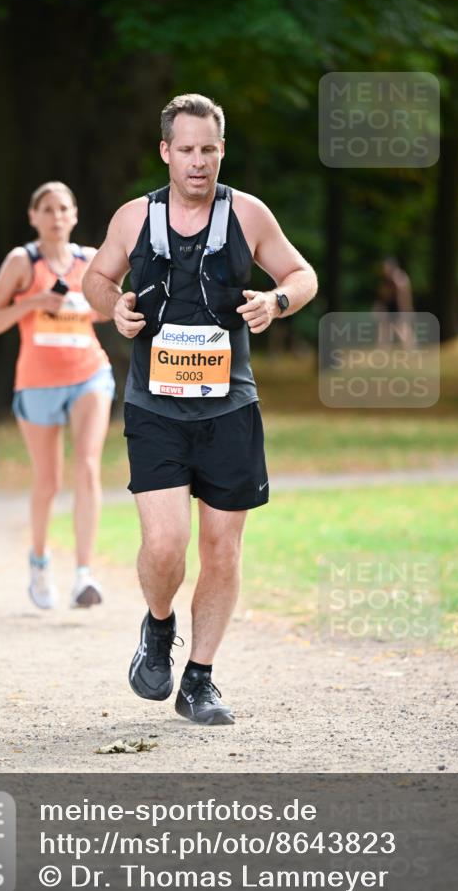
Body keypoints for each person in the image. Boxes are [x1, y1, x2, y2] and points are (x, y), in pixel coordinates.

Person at [83, 94, 318, 725]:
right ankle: (158, 627)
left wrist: (277, 303)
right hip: (155, 406)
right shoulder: (136, 218)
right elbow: (96, 278)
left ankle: (201, 679)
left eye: (208, 149)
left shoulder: (248, 214)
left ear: (221, 150)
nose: (197, 162)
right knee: (165, 545)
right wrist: (114, 305)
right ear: (165, 152)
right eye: (185, 150)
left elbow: (302, 274)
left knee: (222, 548)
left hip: (230, 407)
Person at [0, 182, 115, 610]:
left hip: (89, 374)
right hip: (37, 381)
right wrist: (35, 301)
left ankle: (83, 575)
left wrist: (92, 302)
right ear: (33, 216)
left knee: (88, 467)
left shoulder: (89, 259)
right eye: (48, 209)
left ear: (74, 215)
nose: (57, 216)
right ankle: (39, 563)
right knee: (48, 480)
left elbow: (108, 312)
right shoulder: (23, 261)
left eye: (64, 209)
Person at [372, 256, 414, 348]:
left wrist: (405, 311)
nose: (384, 270)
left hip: (399, 308)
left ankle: (411, 350)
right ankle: (382, 350)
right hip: (391, 308)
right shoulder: (386, 280)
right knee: (385, 329)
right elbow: (382, 296)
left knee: (402, 329)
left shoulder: (399, 278)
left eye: (385, 267)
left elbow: (404, 297)